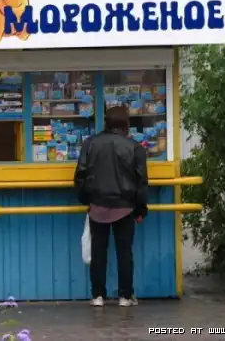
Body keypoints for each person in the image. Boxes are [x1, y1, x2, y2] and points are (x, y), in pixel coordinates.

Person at [75, 105, 148, 307]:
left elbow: (80, 175)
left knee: (98, 251)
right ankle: (125, 296)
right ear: (126, 124)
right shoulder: (135, 147)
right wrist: (141, 209)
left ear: (106, 122)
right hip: (125, 206)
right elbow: (141, 182)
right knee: (124, 252)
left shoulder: (90, 143)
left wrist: (87, 200)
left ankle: (98, 296)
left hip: (97, 206)